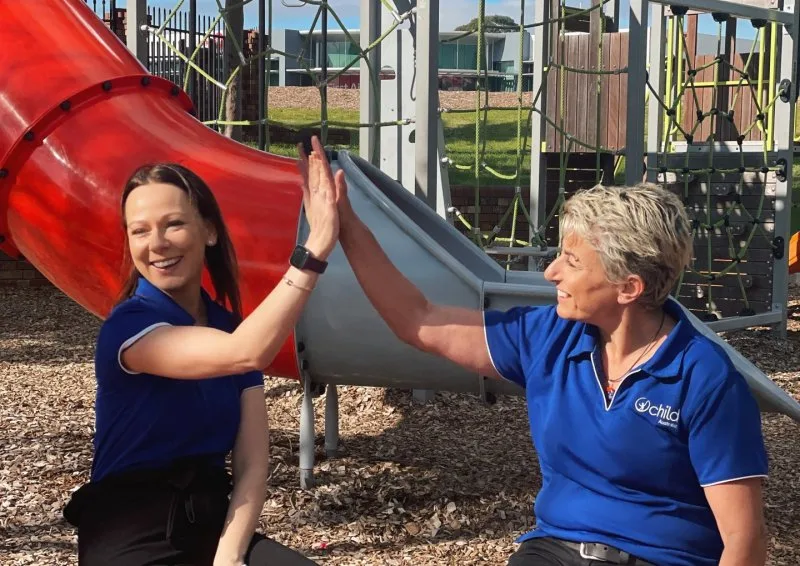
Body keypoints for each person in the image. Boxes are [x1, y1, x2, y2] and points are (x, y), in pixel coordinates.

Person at [300, 146, 769, 566]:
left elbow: (744, 541)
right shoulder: (550, 335)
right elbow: (417, 319)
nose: (550, 272)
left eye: (573, 261)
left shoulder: (704, 377)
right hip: (555, 550)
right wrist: (346, 225)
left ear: (629, 288)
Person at [64, 147, 338, 566]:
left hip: (211, 524)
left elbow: (251, 463)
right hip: (130, 532)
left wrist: (229, 556)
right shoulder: (129, 327)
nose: (156, 244)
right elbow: (246, 353)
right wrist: (314, 246)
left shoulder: (228, 325)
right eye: (139, 231)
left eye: (174, 224)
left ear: (208, 231)